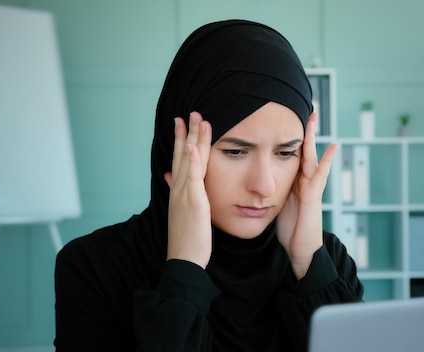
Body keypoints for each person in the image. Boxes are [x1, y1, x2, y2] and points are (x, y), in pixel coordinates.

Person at [54, 19, 363, 352]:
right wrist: (185, 271)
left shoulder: (328, 262)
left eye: (286, 152)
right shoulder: (94, 266)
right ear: (178, 150)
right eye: (235, 151)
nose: (264, 185)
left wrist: (311, 268)